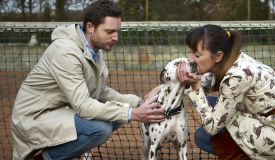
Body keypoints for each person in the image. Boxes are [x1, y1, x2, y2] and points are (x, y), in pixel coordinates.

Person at [10, 1, 166, 160]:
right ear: (90, 27)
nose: (116, 37)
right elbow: (83, 106)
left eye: (117, 31)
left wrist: (139, 103)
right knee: (101, 128)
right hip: (35, 117)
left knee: (116, 117)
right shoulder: (66, 52)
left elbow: (102, 91)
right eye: (110, 31)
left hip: (59, 111)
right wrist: (133, 113)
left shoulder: (94, 48)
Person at [176, 24, 275, 159]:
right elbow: (200, 86)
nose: (190, 58)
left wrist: (195, 87)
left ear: (218, 56)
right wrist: (163, 88)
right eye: (190, 52)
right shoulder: (227, 61)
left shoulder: (237, 75)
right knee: (211, 103)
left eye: (196, 54)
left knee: (202, 135)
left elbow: (212, 127)